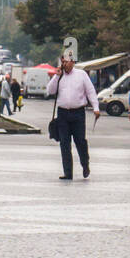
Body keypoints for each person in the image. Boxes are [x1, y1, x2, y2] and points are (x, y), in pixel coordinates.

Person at [46, 53, 100, 181]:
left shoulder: (81, 75)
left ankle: (85, 164)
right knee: (64, 143)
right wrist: (56, 76)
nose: (64, 64)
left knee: (80, 141)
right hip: (63, 113)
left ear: (73, 62)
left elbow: (90, 92)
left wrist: (96, 108)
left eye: (67, 62)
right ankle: (68, 172)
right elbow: (50, 91)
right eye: (62, 62)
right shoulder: (59, 76)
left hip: (78, 113)